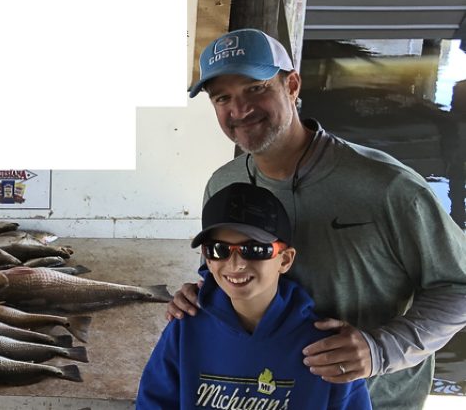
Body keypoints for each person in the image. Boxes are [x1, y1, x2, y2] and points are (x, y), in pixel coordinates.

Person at [171, 27, 466, 408]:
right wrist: (198, 295)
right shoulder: (224, 182)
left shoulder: (389, 187)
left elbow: (457, 286)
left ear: (292, 85)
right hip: (272, 394)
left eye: (255, 89)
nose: (239, 110)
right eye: (222, 97)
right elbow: (222, 267)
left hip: (376, 398)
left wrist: (380, 349)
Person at [137, 182, 371, 409]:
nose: (236, 264)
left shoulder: (326, 346)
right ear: (207, 258)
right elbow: (154, 401)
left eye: (255, 250)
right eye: (219, 250)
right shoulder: (185, 328)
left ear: (285, 259)